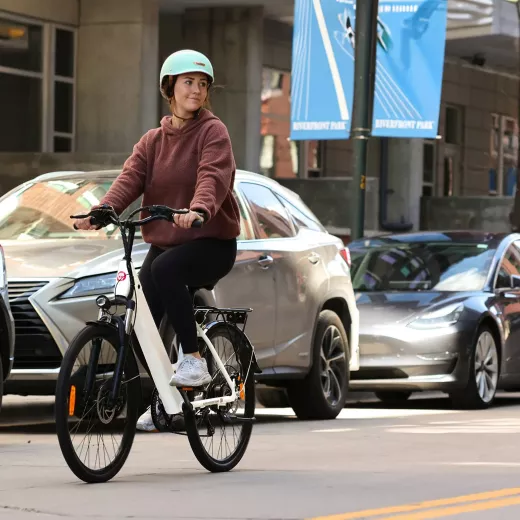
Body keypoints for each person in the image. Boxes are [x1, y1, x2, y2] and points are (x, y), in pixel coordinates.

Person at [73, 49, 241, 431]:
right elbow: (130, 179)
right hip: (167, 241)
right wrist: (101, 212)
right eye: (188, 83)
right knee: (140, 316)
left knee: (166, 271)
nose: (196, 91)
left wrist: (198, 210)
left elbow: (212, 176)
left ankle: (195, 359)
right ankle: (169, 400)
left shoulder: (213, 132)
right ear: (170, 88)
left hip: (210, 241)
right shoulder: (152, 141)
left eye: (202, 84)